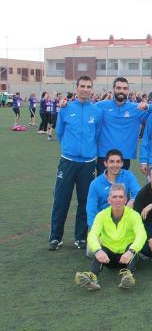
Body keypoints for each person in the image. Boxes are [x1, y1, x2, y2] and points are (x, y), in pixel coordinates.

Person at [49, 75, 103, 251]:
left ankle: (80, 237)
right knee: (61, 199)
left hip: (88, 163)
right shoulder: (66, 108)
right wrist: (69, 148)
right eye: (82, 86)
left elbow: (97, 135)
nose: (85, 89)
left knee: (85, 201)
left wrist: (88, 151)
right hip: (68, 161)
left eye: (88, 86)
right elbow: (60, 132)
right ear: (76, 87)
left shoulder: (96, 111)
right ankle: (55, 237)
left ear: (91, 89)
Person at [75, 184, 147, 291]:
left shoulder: (134, 215)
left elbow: (142, 235)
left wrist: (131, 251)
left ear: (125, 200)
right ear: (109, 200)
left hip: (127, 257)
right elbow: (92, 235)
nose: (117, 200)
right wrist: (98, 250)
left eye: (121, 197)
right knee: (101, 248)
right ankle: (92, 277)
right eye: (114, 197)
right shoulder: (101, 215)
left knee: (133, 248)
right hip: (108, 258)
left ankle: (127, 276)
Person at [95, 77, 152, 174]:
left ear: (128, 91)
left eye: (124, 88)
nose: (121, 91)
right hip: (104, 156)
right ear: (113, 89)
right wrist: (65, 105)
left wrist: (148, 106)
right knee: (103, 187)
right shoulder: (101, 106)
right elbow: (86, 109)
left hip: (124, 157)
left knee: (120, 188)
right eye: (118, 88)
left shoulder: (136, 108)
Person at [86, 149, 141, 229]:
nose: (115, 165)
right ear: (105, 163)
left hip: (125, 220)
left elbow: (138, 194)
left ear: (122, 163)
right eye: (111, 161)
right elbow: (91, 210)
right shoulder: (95, 184)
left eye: (118, 162)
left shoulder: (128, 176)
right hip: (104, 223)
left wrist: (128, 207)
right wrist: (94, 229)